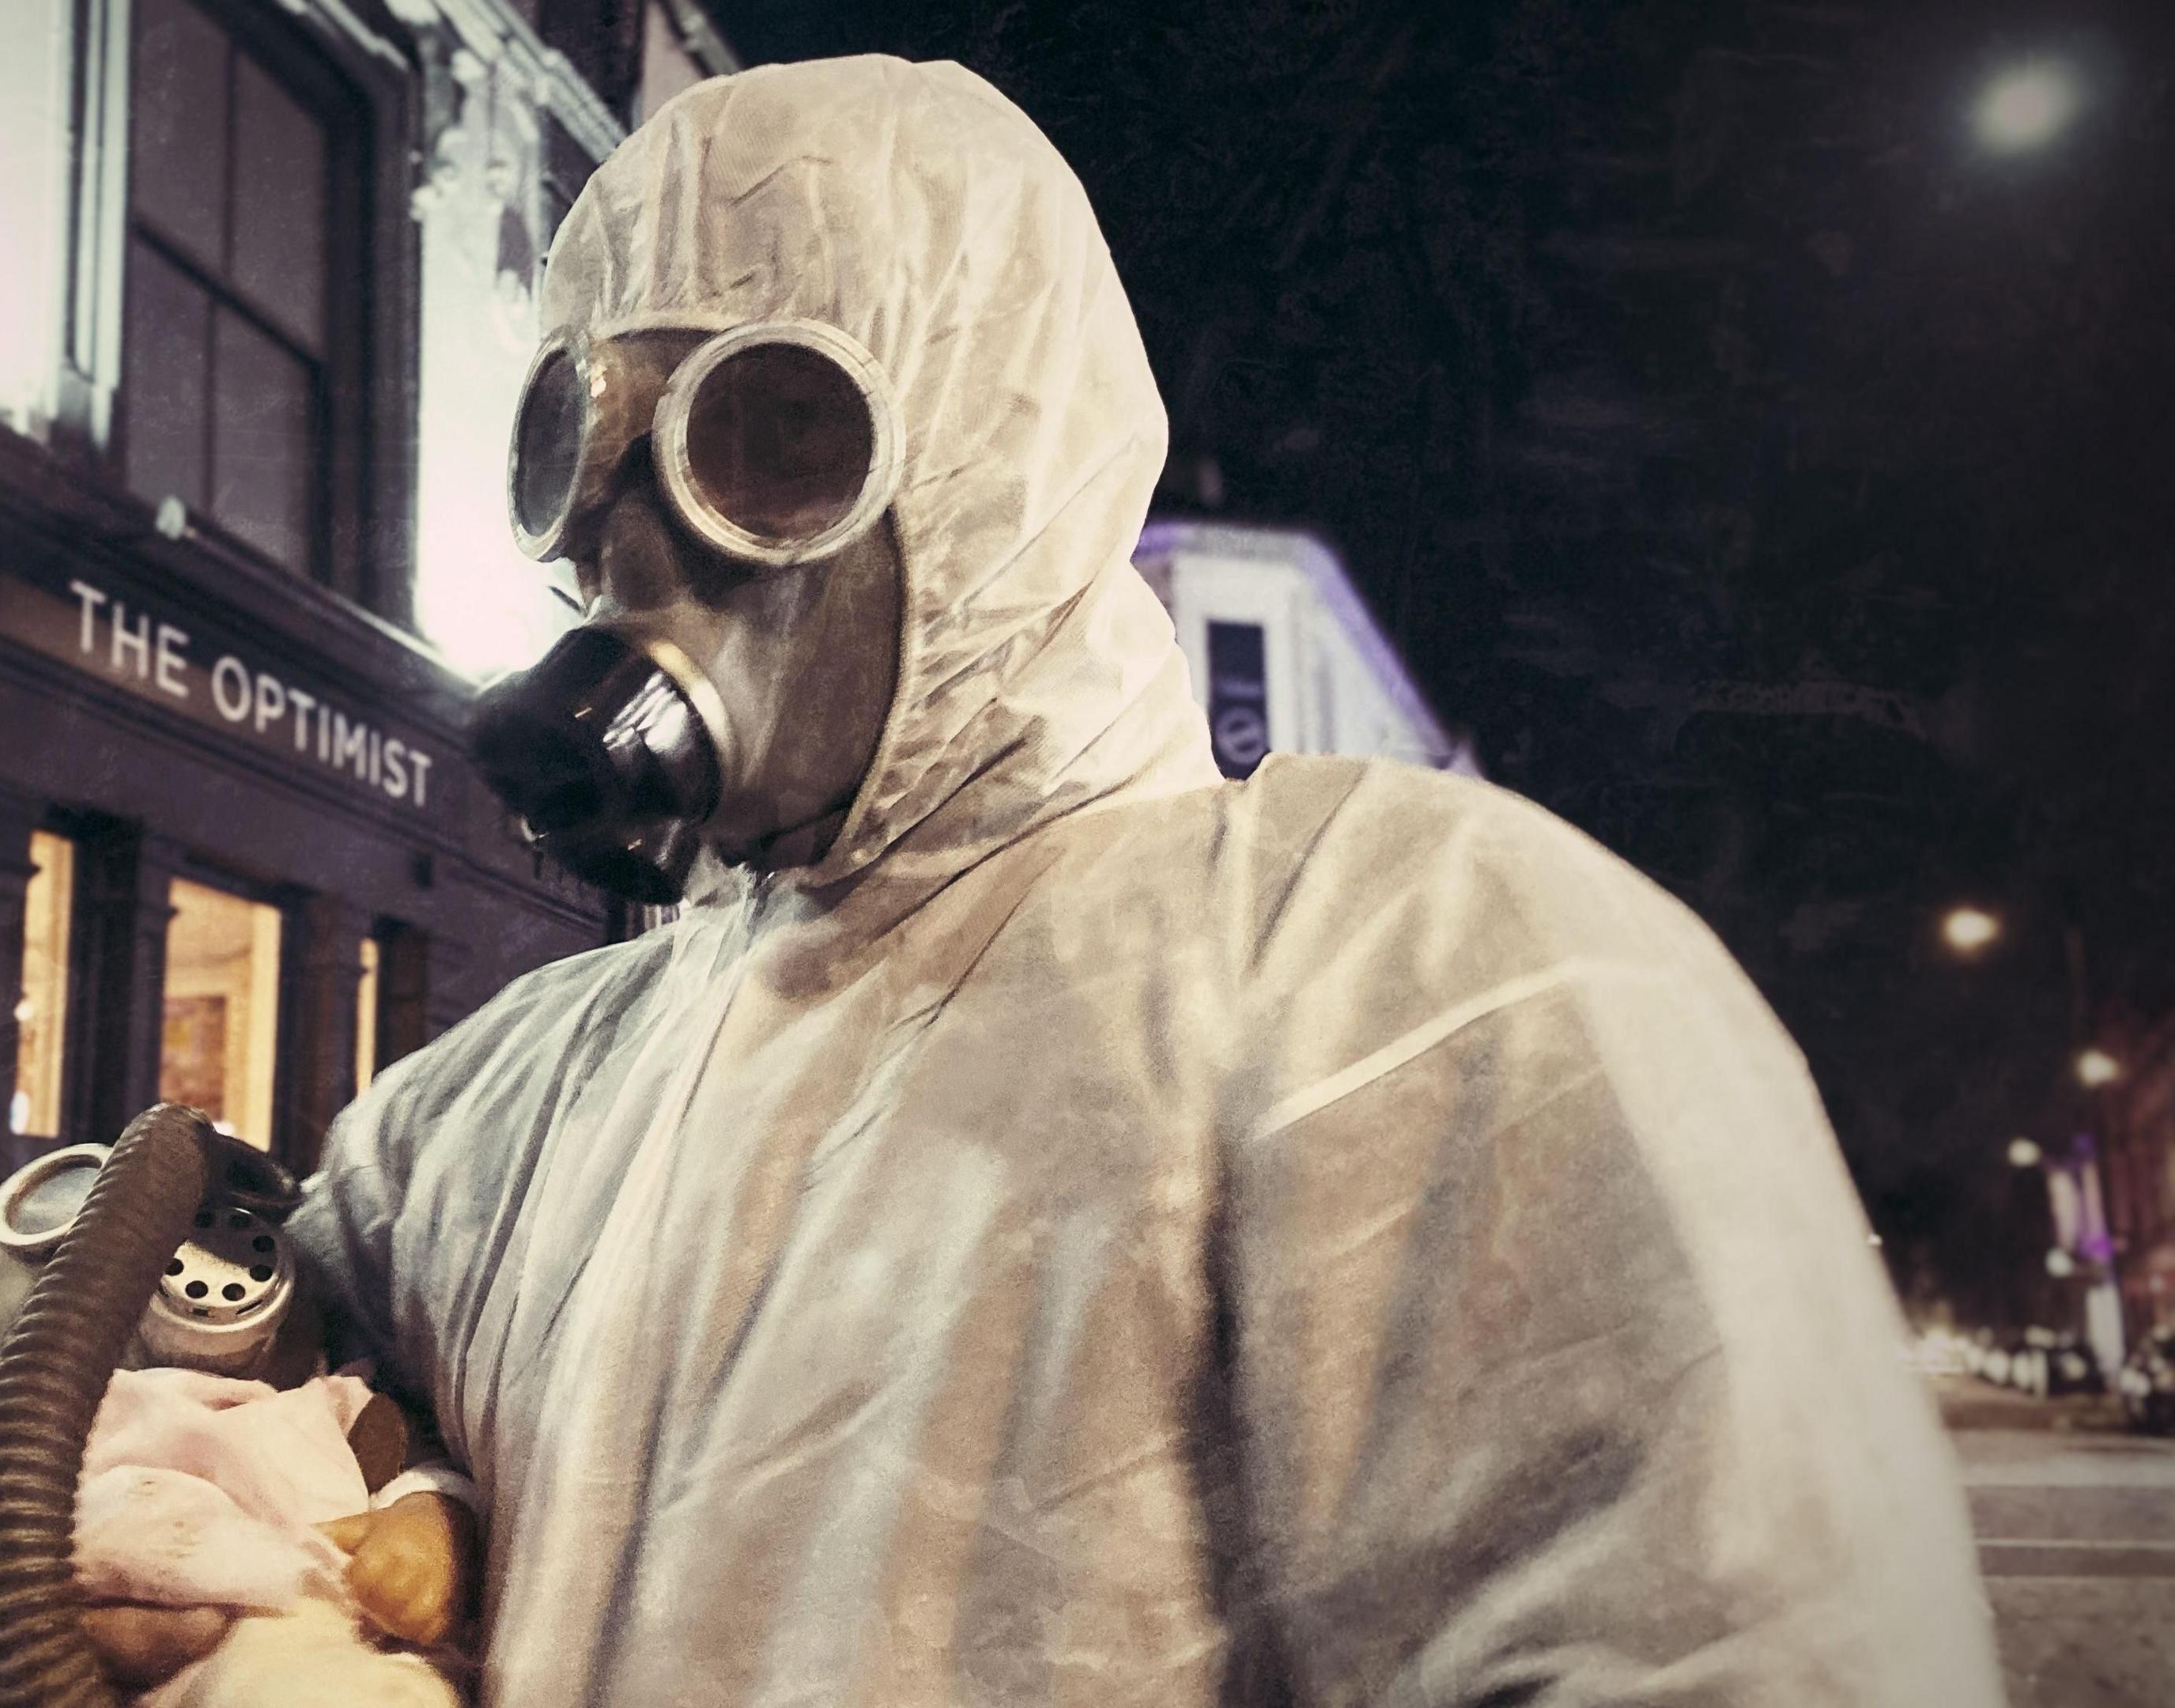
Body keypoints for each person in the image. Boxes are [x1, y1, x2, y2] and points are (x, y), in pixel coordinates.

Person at [289, 55, 2006, 1708]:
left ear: (984, 472)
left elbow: (1749, 1639)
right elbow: (225, 1422)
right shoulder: (497, 1113)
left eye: (767, 433)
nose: (635, 533)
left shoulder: (1405, 975)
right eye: (578, 449)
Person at [0, 1360, 472, 1708]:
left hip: (257, 1616)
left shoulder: (328, 1403)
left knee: (316, 1693)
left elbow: (428, 1465)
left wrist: (428, 1521)